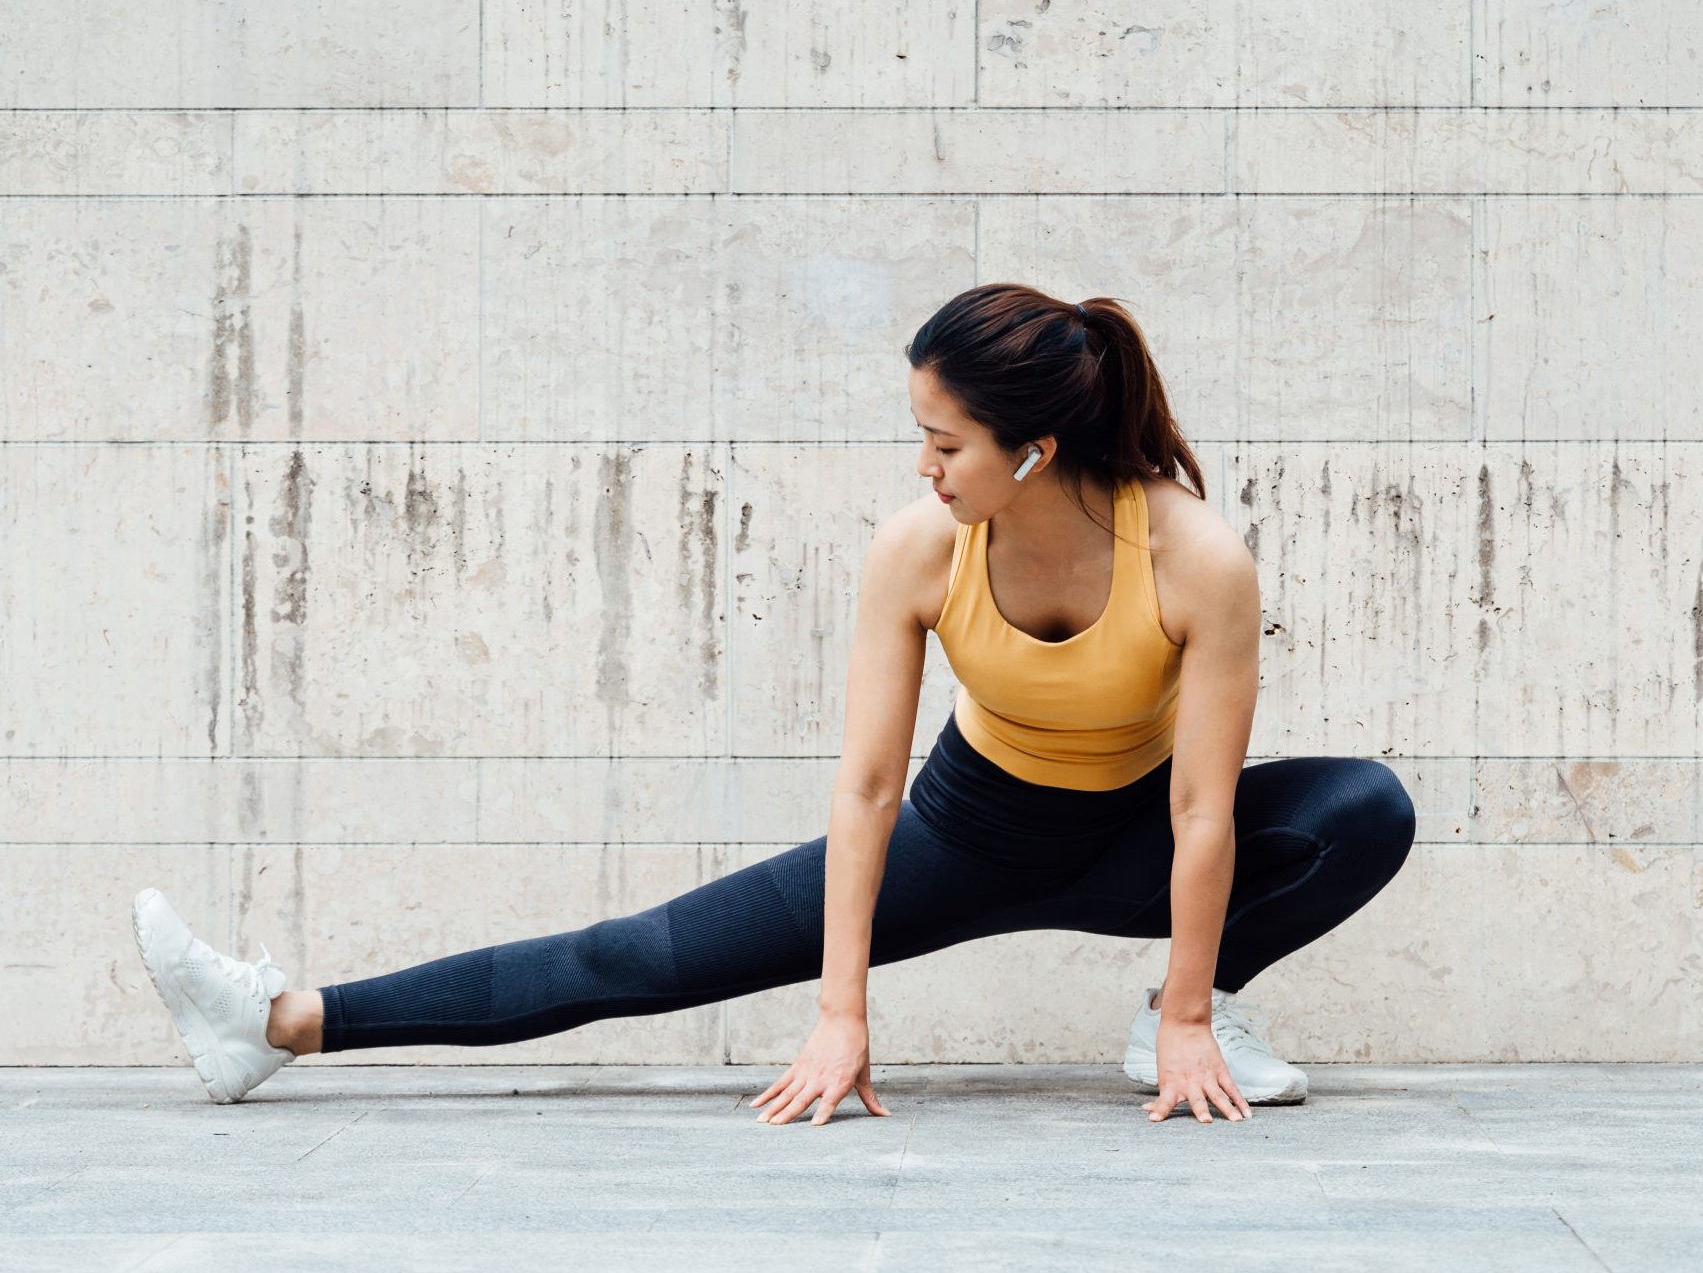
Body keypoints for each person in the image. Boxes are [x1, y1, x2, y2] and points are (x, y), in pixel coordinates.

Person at [131, 283, 1416, 1126]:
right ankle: (276, 1021)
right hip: (960, 838)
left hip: (1136, 844)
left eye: (945, 441)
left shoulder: (1194, 557)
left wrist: (1186, 1009)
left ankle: (1174, 1019)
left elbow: (1202, 811)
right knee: (632, 955)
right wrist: (841, 1009)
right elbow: (865, 787)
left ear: (1033, 449)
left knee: (1359, 807)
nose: (923, 465)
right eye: (919, 434)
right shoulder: (921, 544)